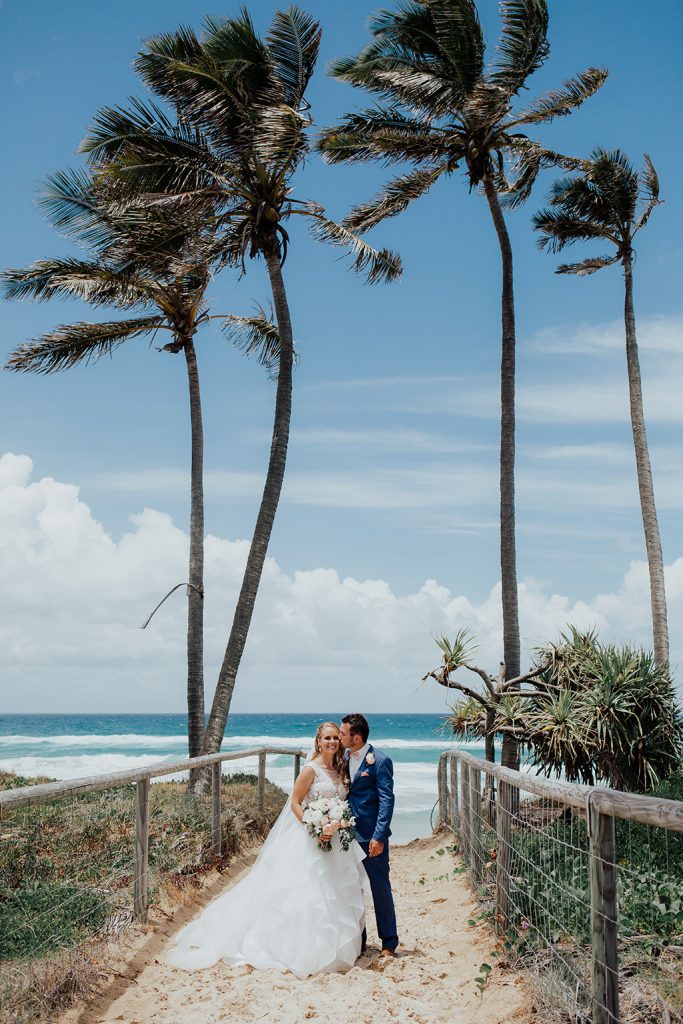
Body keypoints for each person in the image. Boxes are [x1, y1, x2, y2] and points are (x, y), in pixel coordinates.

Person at [167, 722, 367, 977]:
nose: (331, 742)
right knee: (304, 894)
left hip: (335, 839)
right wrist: (313, 826)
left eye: (335, 738)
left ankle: (333, 950)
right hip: (310, 837)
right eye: (326, 738)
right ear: (318, 741)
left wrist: (335, 824)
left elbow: (341, 802)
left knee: (333, 893)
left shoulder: (340, 769)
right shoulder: (310, 770)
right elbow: (295, 802)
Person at [339, 713, 398, 958]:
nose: (340, 736)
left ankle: (389, 943)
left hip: (371, 836)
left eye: (343, 733)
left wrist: (379, 836)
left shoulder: (380, 761)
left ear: (357, 737)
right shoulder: (342, 757)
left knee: (379, 887)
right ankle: (359, 941)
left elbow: (387, 800)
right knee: (352, 889)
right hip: (346, 836)